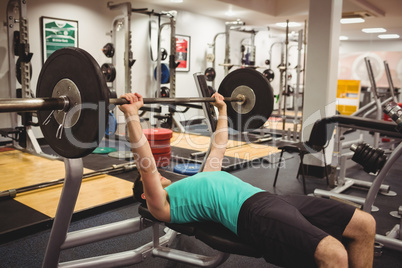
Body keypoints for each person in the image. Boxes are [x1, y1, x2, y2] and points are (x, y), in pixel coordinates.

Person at [119, 92, 376, 268]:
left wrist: (222, 110)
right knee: (333, 253)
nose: (162, 176)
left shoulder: (201, 180)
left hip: (272, 199)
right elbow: (147, 166)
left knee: (365, 223)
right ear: (145, 194)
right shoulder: (161, 205)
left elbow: (218, 145)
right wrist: (131, 115)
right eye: (155, 181)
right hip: (253, 214)